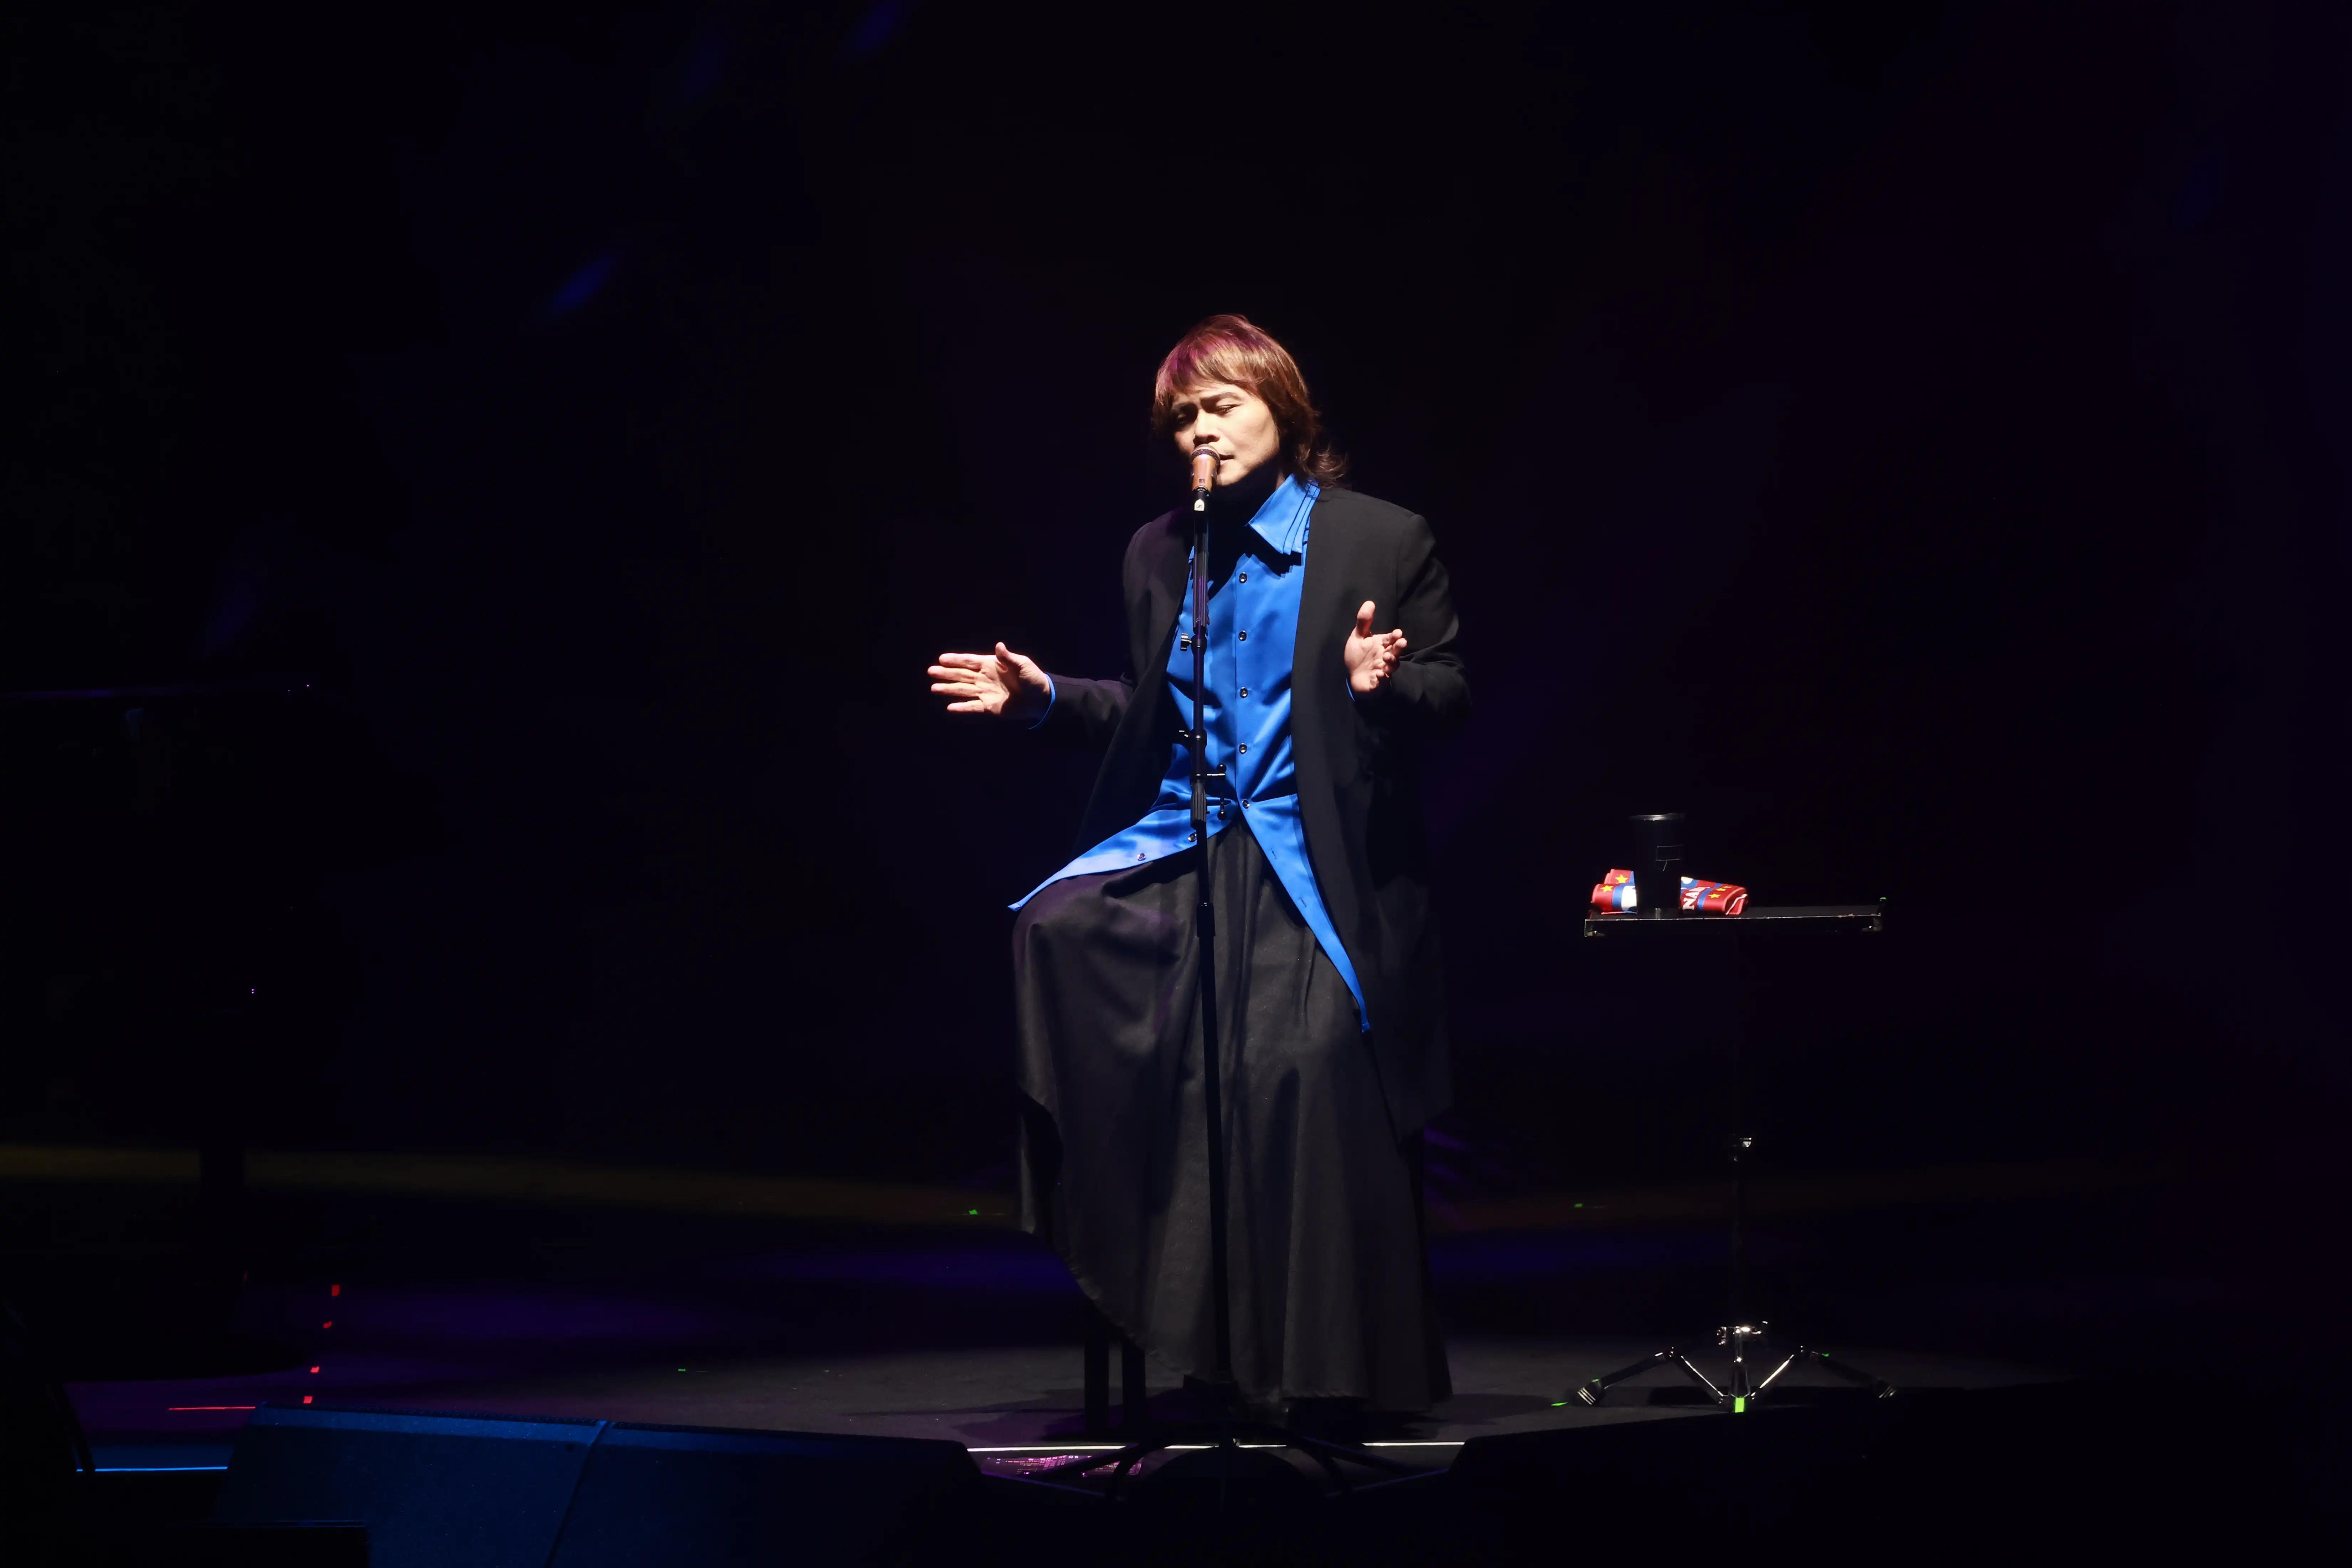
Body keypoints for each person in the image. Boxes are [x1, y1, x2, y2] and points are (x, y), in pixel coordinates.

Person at [927, 315, 1468, 1420]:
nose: (1199, 433)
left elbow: (1450, 693)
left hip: (1314, 859)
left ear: (1284, 407)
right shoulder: (1158, 550)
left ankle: (1323, 1368)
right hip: (1192, 834)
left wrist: (1376, 682)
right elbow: (1150, 710)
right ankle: (1162, 1302)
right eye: (1182, 418)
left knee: (1299, 1067)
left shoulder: (1379, 537)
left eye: (1222, 406)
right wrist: (1046, 702)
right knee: (1055, 932)